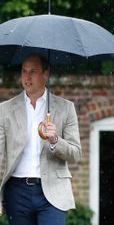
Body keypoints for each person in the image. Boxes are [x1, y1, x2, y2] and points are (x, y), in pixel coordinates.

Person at [0, 53, 81, 225]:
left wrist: (55, 141)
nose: (27, 77)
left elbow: (76, 154)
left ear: (46, 74)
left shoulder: (66, 108)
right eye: (23, 71)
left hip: (53, 192)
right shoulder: (5, 110)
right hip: (17, 192)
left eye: (33, 71)